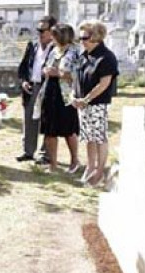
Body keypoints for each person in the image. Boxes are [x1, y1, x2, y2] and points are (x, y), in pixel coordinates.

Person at [74, 20, 119, 187]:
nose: (81, 41)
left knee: (99, 136)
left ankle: (100, 171)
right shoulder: (83, 56)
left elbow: (104, 83)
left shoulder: (106, 57)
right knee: (88, 136)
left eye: (84, 37)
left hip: (98, 103)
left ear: (96, 37)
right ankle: (90, 166)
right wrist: (74, 96)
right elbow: (76, 77)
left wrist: (86, 99)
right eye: (80, 37)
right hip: (82, 103)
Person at [38, 24, 82, 173]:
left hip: (66, 94)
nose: (52, 37)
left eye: (54, 35)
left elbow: (77, 74)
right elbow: (46, 66)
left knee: (68, 129)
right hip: (50, 92)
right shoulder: (53, 50)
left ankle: (75, 160)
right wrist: (46, 70)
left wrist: (58, 73)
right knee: (50, 130)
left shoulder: (75, 51)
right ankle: (53, 164)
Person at [17, 16, 57, 164]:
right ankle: (28, 151)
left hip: (48, 88)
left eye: (43, 30)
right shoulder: (32, 45)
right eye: (38, 30)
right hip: (31, 87)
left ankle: (45, 154)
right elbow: (23, 67)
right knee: (29, 120)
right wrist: (24, 82)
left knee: (46, 121)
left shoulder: (57, 48)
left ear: (52, 31)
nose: (40, 33)